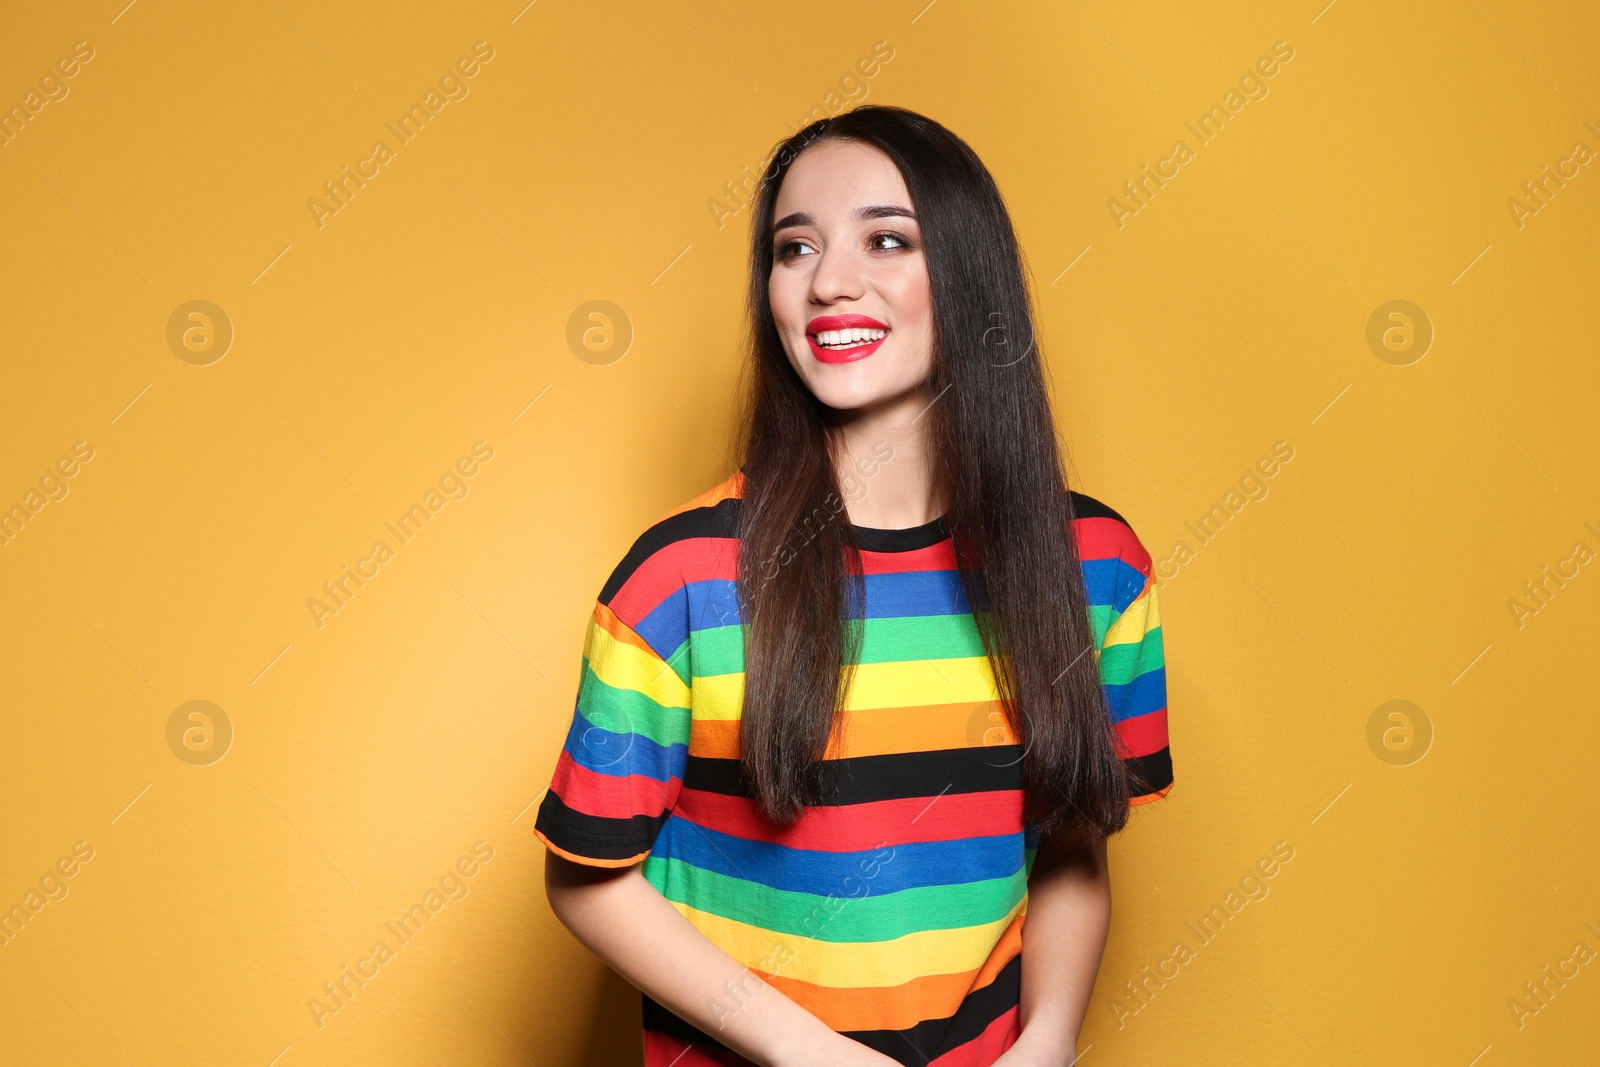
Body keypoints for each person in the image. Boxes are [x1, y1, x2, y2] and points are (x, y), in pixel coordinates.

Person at [534, 104, 1171, 1067]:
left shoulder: (1097, 567)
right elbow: (586, 876)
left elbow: (1074, 843)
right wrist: (812, 1055)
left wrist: (1049, 1040)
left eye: (886, 239)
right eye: (795, 249)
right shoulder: (682, 580)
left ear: (966, 275)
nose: (830, 282)